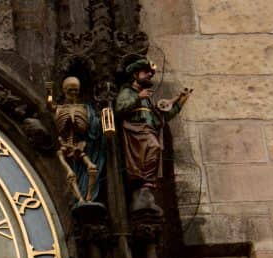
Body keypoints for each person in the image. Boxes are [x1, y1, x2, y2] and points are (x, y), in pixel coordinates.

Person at [115, 59, 191, 213]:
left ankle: (146, 187)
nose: (149, 75)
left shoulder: (148, 99)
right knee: (154, 147)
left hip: (148, 130)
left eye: (150, 73)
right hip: (136, 132)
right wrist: (138, 97)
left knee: (154, 151)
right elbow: (120, 108)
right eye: (146, 72)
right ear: (135, 75)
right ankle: (143, 186)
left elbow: (161, 117)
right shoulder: (128, 92)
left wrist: (180, 102)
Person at [51, 76, 105, 202]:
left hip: (80, 145)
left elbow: (93, 125)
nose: (74, 93)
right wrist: (49, 92)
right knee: (70, 173)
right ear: (64, 90)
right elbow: (49, 105)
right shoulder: (59, 109)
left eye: (76, 90)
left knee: (92, 168)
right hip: (64, 145)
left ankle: (89, 197)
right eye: (70, 90)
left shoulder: (86, 109)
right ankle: (80, 199)